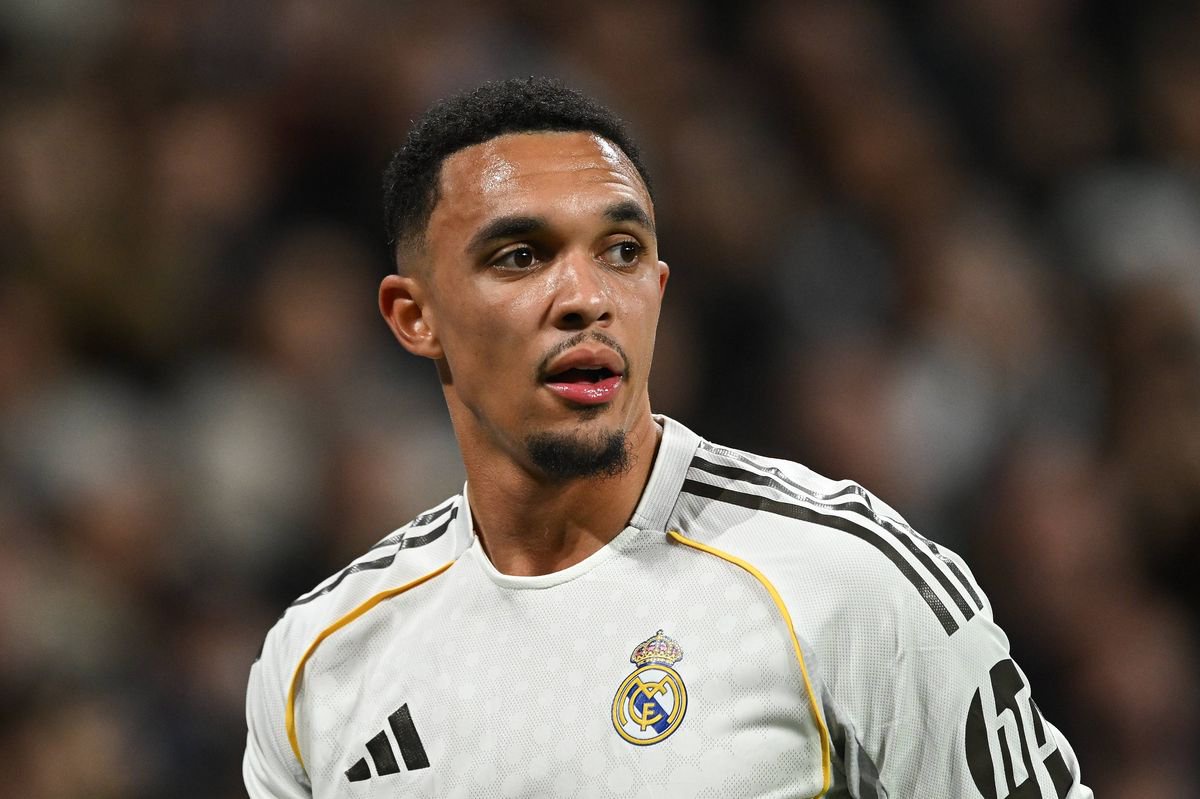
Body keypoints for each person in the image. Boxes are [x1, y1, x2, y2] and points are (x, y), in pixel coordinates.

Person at [243, 77, 1092, 798]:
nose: (586, 297)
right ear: (414, 315)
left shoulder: (843, 579)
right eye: (520, 256)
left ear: (656, 286)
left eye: (620, 251)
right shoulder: (321, 661)